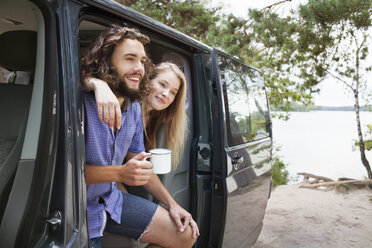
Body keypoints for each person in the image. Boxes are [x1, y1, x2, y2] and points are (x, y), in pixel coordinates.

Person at [81, 24, 199, 248]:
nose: (139, 68)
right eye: (129, 58)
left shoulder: (133, 108)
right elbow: (64, 175)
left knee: (186, 234)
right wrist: (120, 173)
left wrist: (172, 204)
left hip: (110, 199)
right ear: (106, 60)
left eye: (142, 61)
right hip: (78, 208)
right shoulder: (80, 103)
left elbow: (140, 164)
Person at [84, 62, 187, 168]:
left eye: (173, 92)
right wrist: (96, 83)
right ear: (148, 80)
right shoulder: (126, 108)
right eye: (162, 84)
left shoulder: (156, 120)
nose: (166, 94)